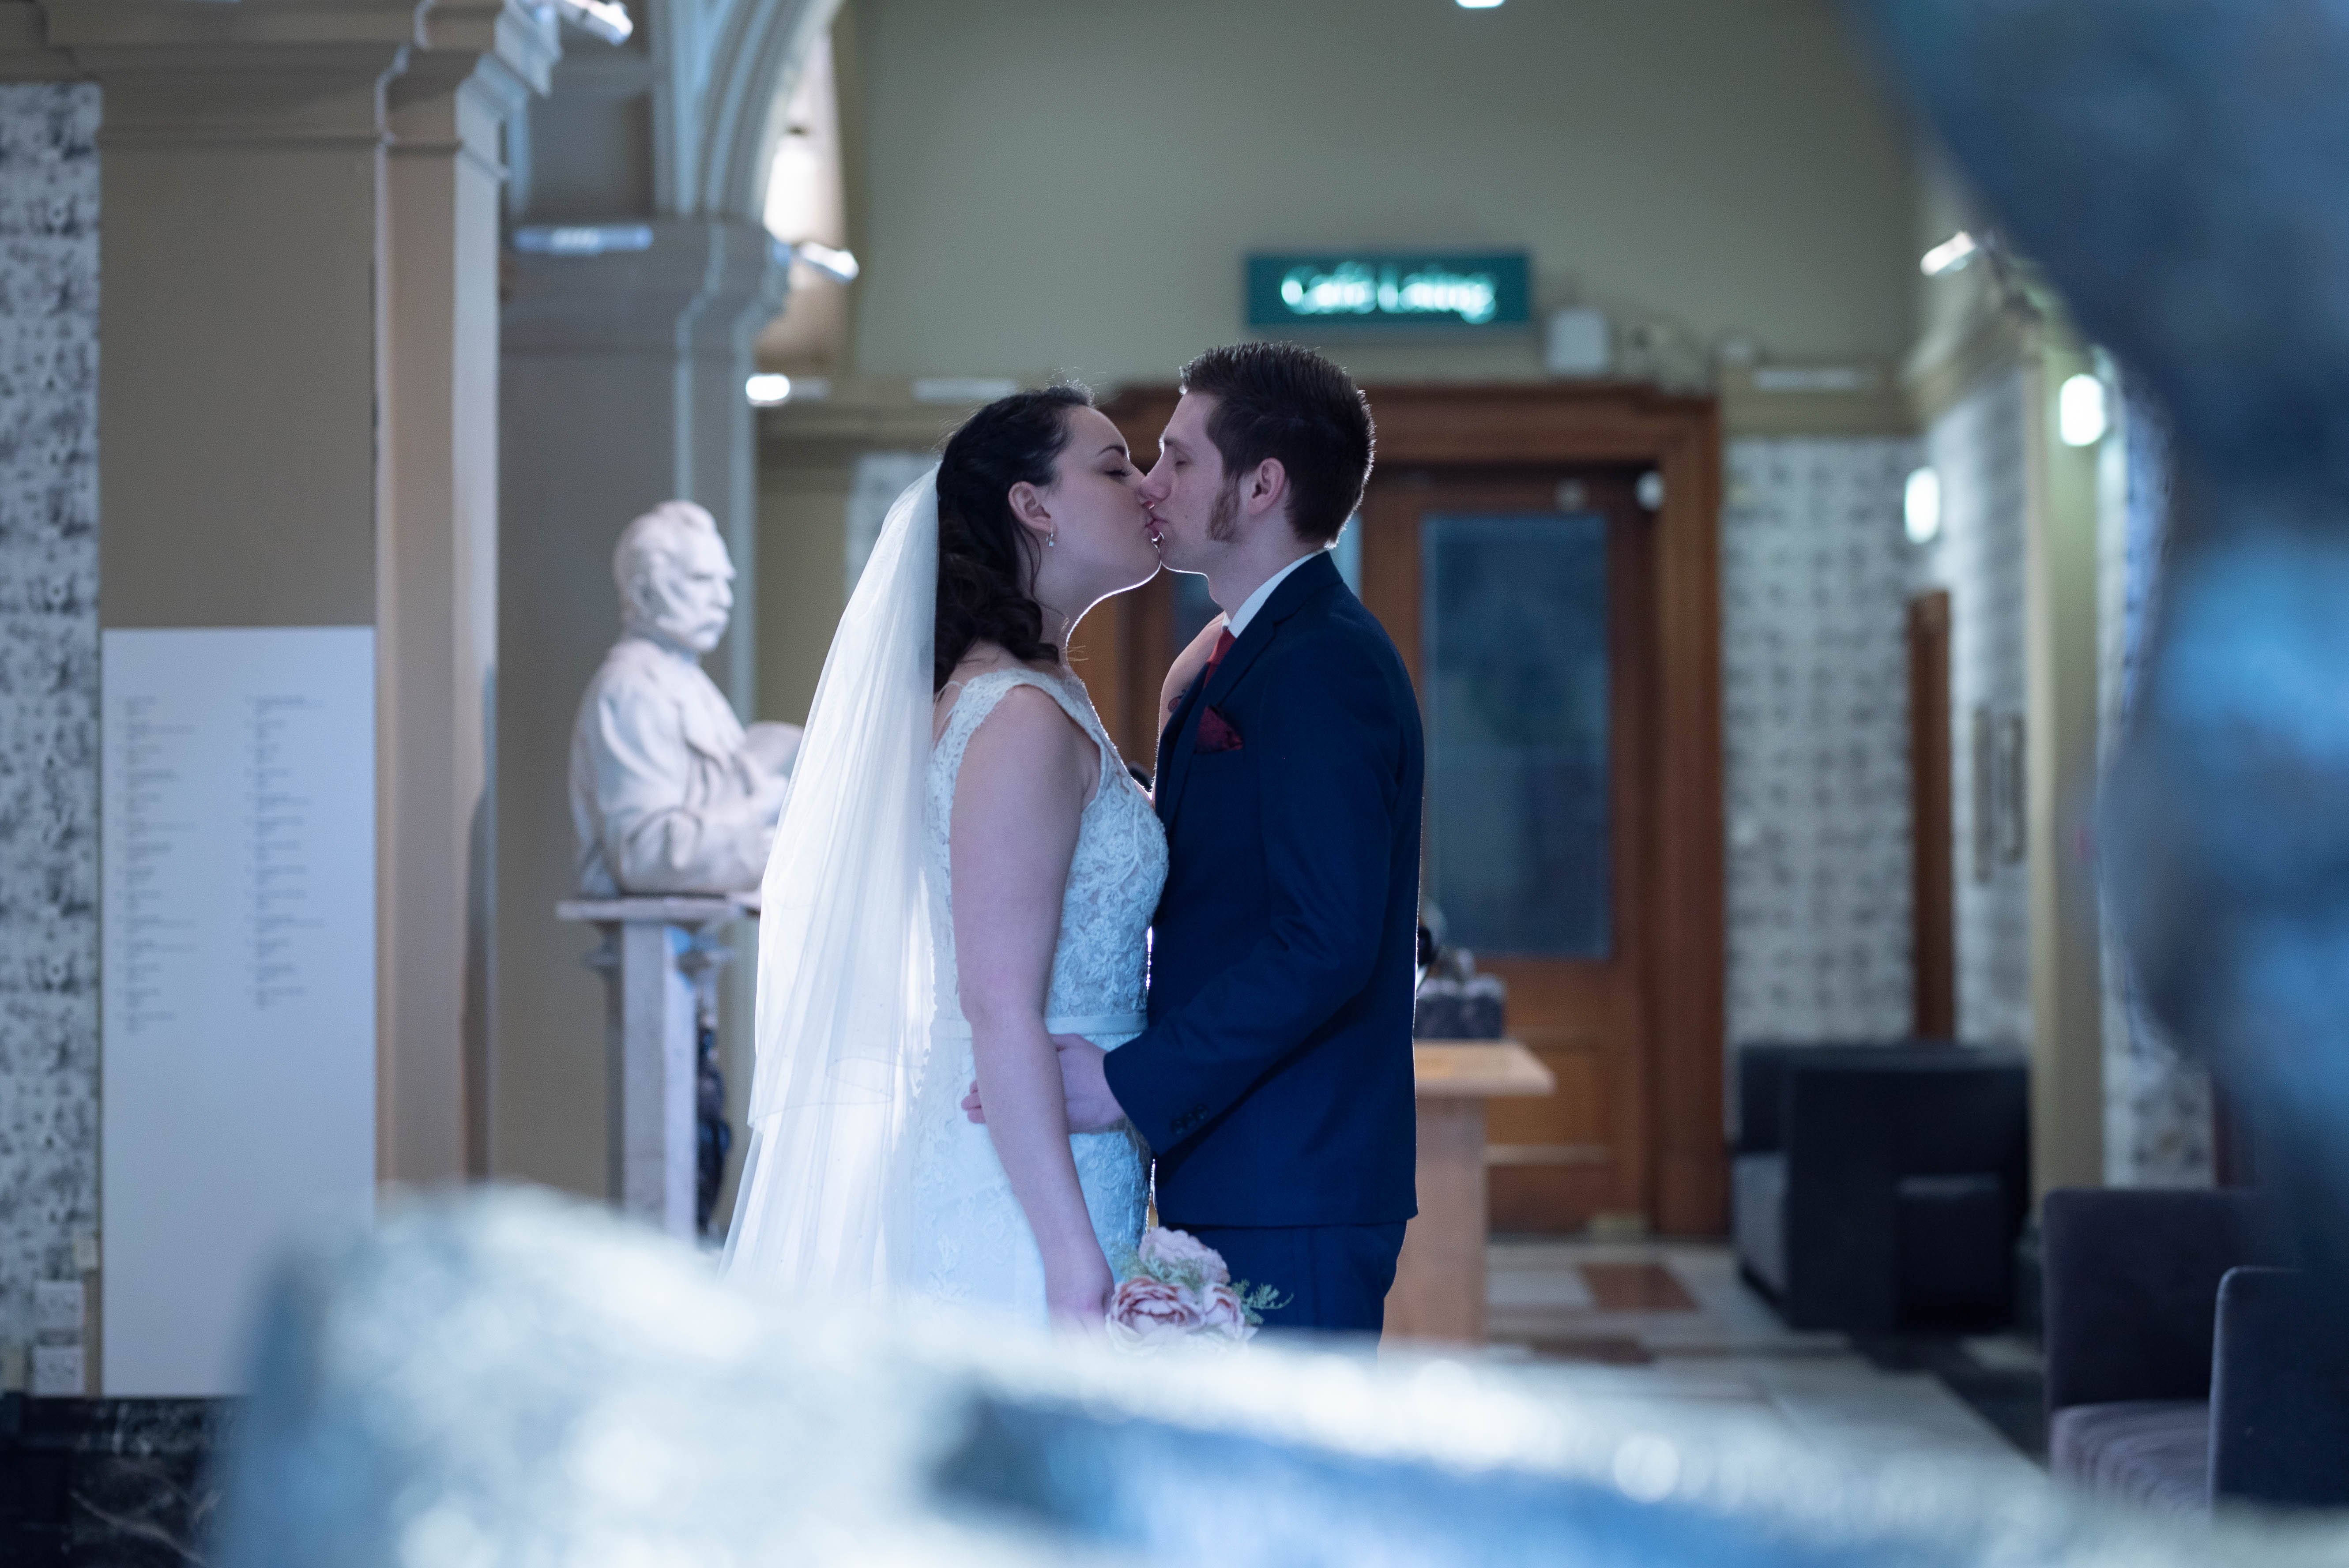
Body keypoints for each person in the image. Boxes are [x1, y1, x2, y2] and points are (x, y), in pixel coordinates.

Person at [967, 343, 1424, 1334]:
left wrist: (1131, 1082)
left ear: (1262, 486)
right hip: (1241, 1163)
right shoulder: (1240, 657)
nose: (1152, 485)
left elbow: (1326, 942)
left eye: (1178, 460)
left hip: (1293, 1178)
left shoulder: (1319, 666)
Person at [724, 386, 1164, 1327]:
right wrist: (1070, 1257)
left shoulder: (1035, 695)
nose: (1147, 486)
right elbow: (995, 1002)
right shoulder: (1016, 718)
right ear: (1033, 505)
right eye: (1115, 466)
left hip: (1054, 1142)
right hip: (1025, 1185)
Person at [569, 500, 802, 895]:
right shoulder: (632, 690)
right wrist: (762, 805)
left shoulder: (689, 683)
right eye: (700, 580)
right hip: (651, 943)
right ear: (644, 591)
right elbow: (644, 857)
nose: (723, 599)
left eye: (725, 581)